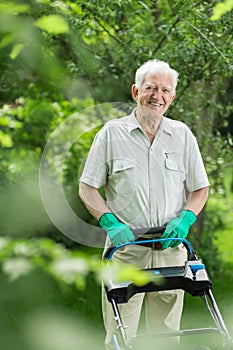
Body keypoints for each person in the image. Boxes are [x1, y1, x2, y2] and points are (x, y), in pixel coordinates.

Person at [79, 59, 210, 349]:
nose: (157, 96)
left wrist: (186, 219)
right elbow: (87, 187)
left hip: (171, 251)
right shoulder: (111, 134)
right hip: (125, 253)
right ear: (136, 91)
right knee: (119, 335)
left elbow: (200, 189)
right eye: (151, 88)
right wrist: (109, 222)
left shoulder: (182, 136)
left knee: (165, 337)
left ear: (172, 97)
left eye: (165, 90)